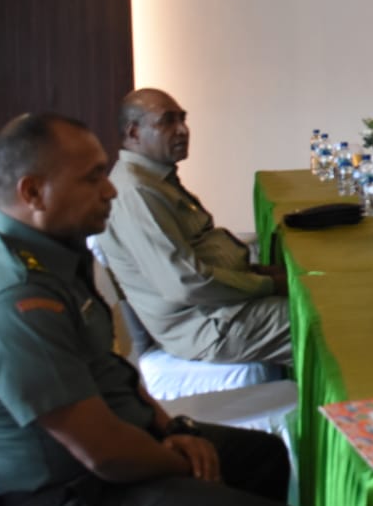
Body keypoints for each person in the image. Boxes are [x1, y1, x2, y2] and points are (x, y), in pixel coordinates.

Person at [0, 112, 312, 506]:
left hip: (107, 462)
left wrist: (174, 431)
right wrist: (182, 462)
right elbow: (102, 451)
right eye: (92, 178)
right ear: (32, 192)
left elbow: (114, 374)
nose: (110, 190)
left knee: (263, 457)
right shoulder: (13, 299)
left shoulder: (50, 255)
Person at [98, 89, 290, 365]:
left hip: (222, 308)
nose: (182, 130)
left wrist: (254, 272)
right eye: (167, 121)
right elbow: (185, 283)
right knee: (327, 318)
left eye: (183, 119)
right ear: (134, 132)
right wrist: (268, 285)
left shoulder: (155, 178)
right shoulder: (137, 193)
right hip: (210, 325)